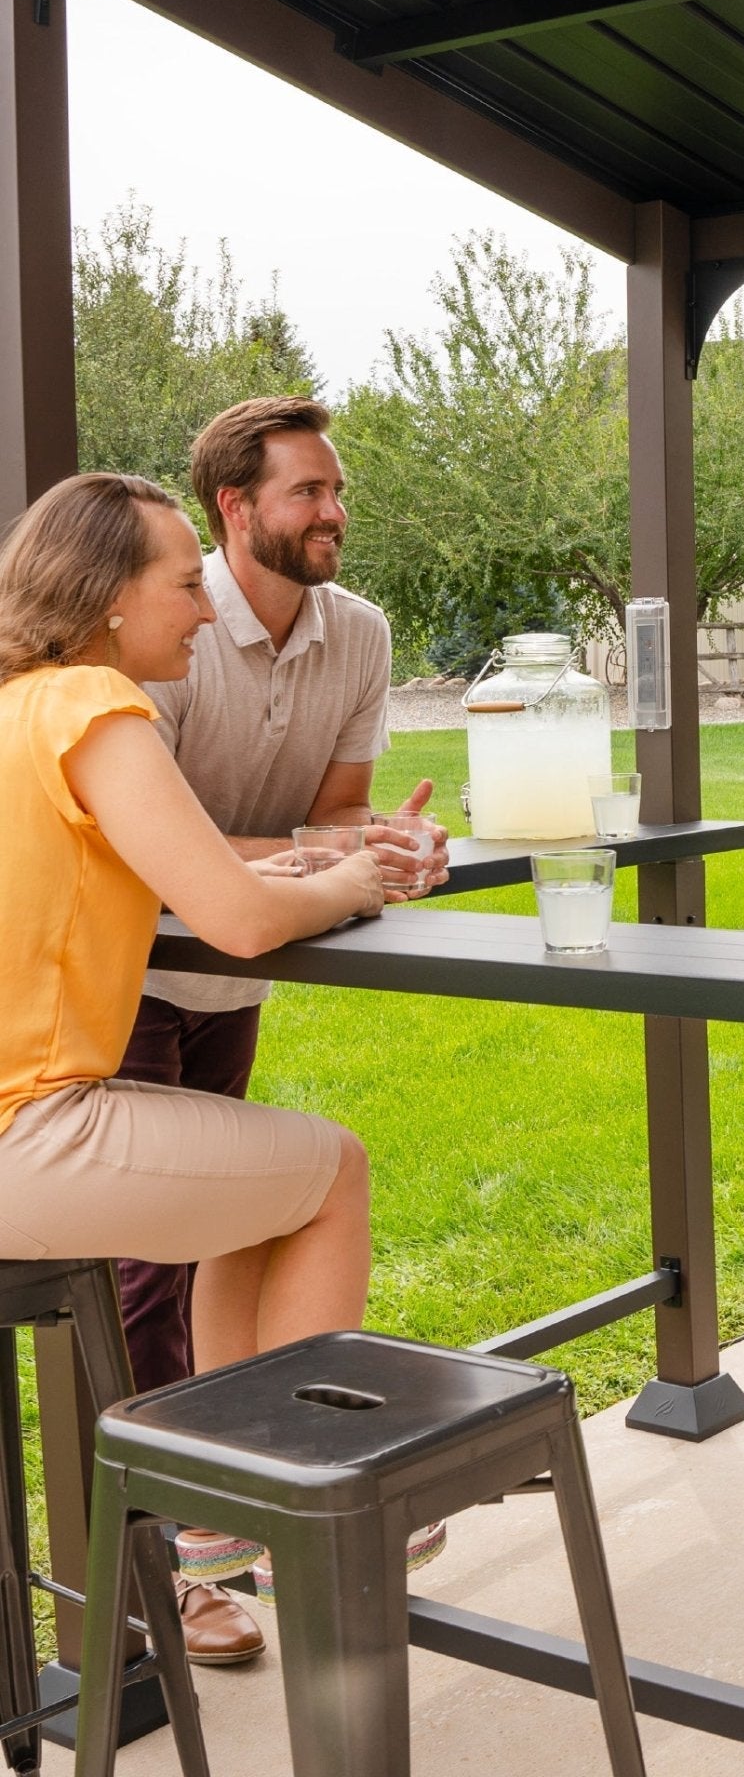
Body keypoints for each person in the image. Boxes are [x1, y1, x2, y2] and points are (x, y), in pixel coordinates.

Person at [105, 396, 447, 1660]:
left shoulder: (357, 632)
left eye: (336, 487)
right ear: (234, 510)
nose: (334, 511)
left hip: (241, 959)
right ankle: (174, 1554)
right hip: (124, 967)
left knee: (230, 1232)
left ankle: (248, 1494)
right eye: (306, 491)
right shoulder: (153, 628)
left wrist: (388, 841)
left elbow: (337, 812)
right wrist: (323, 863)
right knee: (150, 1259)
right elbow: (159, 857)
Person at [0, 475, 383, 1520]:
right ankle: (312, 1499)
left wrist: (291, 873)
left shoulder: (15, 709)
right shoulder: (95, 700)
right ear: (109, 596)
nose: (207, 610)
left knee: (254, 1183)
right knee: (332, 1169)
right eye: (184, 586)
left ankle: (223, 1505)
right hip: (29, 1130)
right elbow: (242, 921)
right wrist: (355, 880)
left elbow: (204, 874)